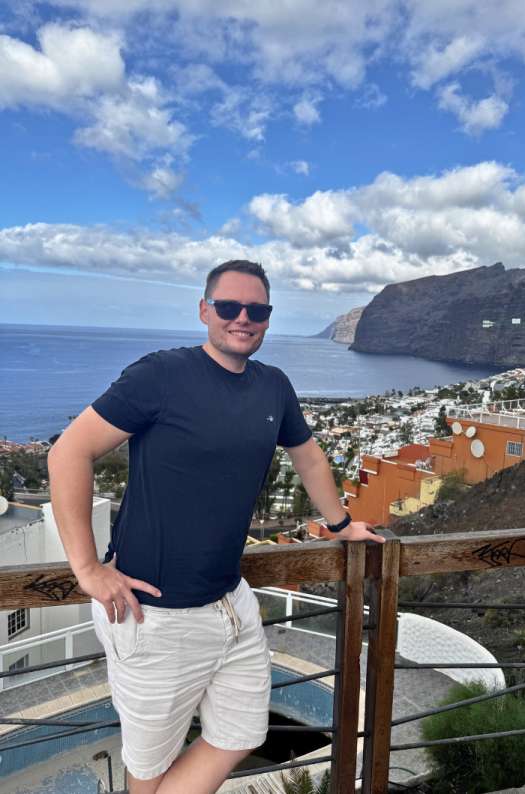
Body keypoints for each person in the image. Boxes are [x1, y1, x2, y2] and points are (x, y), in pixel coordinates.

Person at [47, 260, 384, 794]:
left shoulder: (273, 386)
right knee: (149, 770)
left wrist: (340, 525)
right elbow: (69, 452)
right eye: (229, 306)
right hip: (153, 614)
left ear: (268, 318)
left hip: (231, 601)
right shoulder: (161, 374)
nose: (242, 318)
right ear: (204, 310)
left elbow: (309, 456)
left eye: (257, 310)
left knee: (241, 732)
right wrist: (87, 568)